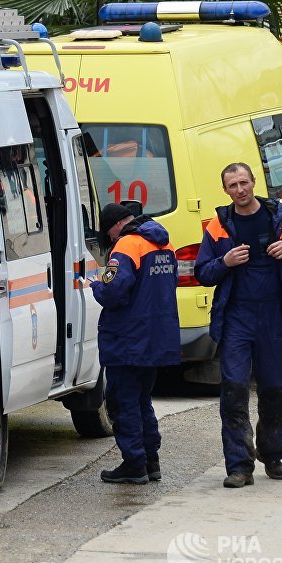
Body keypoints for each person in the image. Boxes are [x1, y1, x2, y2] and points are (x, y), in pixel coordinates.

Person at [194, 162, 282, 488]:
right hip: (237, 319)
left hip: (275, 319)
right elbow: (202, 272)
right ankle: (239, 466)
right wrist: (224, 262)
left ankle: (273, 454)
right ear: (225, 190)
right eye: (232, 185)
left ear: (254, 182)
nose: (239, 189)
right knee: (234, 390)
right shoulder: (218, 226)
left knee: (275, 391)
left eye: (243, 182)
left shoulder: (280, 216)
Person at [89, 203, 181, 485]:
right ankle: (150, 460)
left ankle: (134, 464)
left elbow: (112, 290)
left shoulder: (126, 246)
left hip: (128, 339)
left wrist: (95, 283)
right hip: (156, 337)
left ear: (114, 226)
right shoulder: (163, 241)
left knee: (123, 401)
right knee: (143, 400)